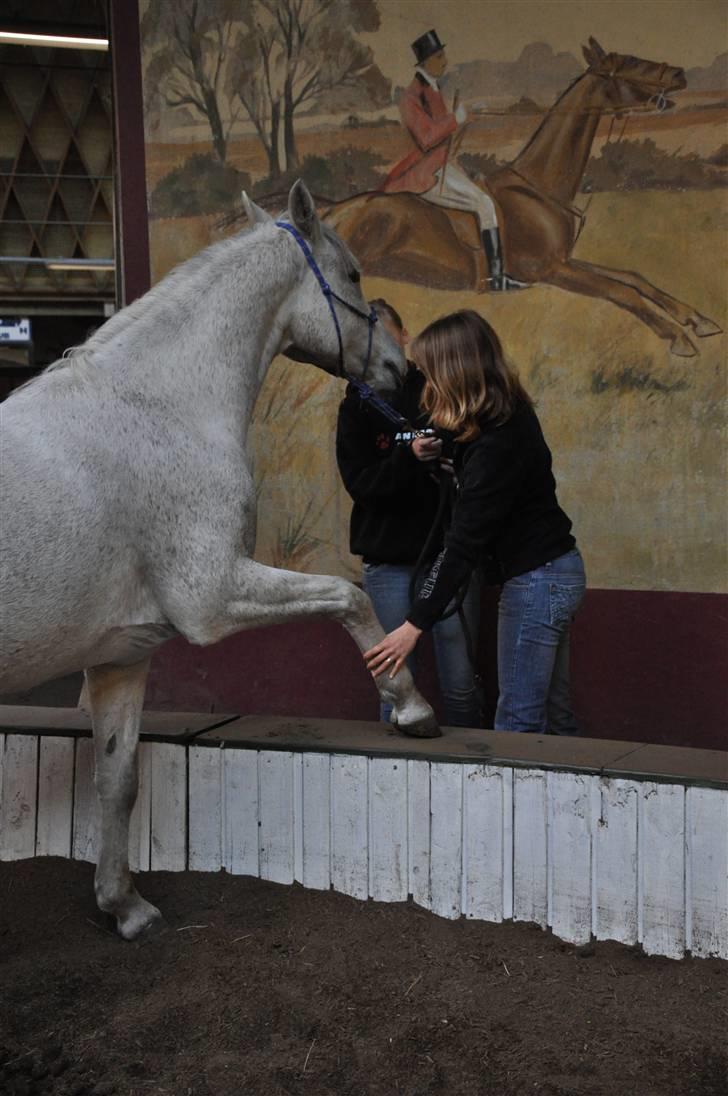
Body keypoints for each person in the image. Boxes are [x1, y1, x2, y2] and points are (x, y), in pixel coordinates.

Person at [363, 310, 586, 735]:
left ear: (454, 373)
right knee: (555, 719)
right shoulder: (502, 418)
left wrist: (413, 626)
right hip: (554, 573)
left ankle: (511, 803)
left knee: (517, 722)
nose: (427, 387)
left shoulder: (499, 442)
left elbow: (463, 544)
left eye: (431, 375)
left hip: (538, 580)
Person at [336, 299, 482, 728]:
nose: (378, 346)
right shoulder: (356, 406)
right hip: (387, 559)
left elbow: (473, 456)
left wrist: (444, 454)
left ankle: (475, 762)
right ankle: (392, 770)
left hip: (447, 552)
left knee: (460, 677)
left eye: (386, 334)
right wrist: (407, 456)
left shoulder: (437, 388)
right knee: (394, 684)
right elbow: (361, 485)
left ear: (404, 337)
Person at [381, 29, 524, 291]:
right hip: (425, 174)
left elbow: (442, 140)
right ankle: (495, 279)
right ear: (425, 63)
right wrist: (455, 119)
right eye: (439, 56)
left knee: (483, 194)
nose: (445, 61)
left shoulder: (434, 88)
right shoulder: (411, 97)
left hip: (441, 165)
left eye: (443, 54)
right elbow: (426, 138)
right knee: (483, 203)